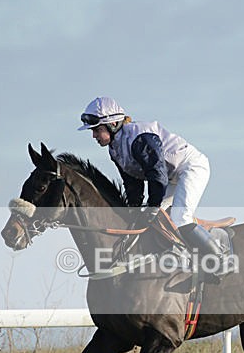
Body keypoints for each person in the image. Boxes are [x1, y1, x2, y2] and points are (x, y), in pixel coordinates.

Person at [78, 96, 229, 280]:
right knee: (152, 218)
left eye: (97, 130)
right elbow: (132, 184)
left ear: (113, 124)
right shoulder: (115, 149)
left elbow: (156, 175)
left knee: (181, 218)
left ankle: (220, 260)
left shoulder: (140, 137)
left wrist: (153, 205)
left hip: (190, 168)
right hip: (170, 177)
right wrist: (134, 211)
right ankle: (180, 253)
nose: (94, 135)